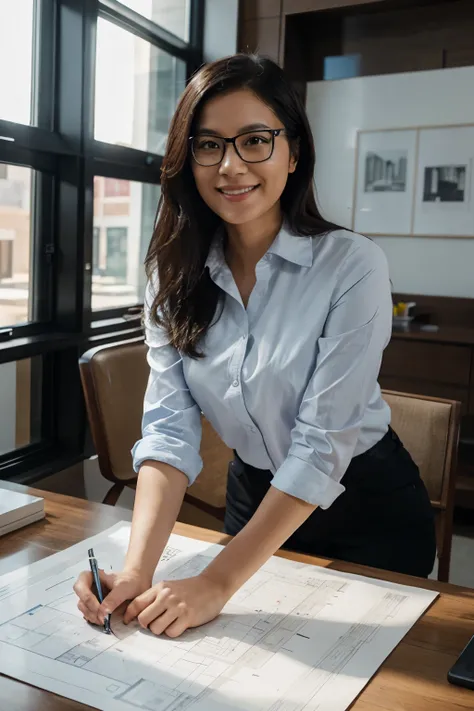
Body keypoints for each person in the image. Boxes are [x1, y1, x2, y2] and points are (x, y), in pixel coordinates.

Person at [74, 53, 436, 639]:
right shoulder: (172, 278)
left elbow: (322, 445)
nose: (231, 165)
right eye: (209, 145)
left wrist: (217, 581)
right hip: (256, 499)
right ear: (187, 160)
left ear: (293, 153)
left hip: (367, 507)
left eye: (255, 141)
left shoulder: (352, 265)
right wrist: (137, 571)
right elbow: (169, 432)